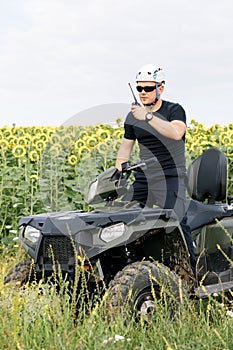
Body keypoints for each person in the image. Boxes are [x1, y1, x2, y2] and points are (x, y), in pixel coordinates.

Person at [116, 63, 196, 275]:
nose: (142, 93)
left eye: (148, 88)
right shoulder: (132, 117)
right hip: (144, 178)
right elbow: (124, 150)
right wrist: (119, 171)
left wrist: (148, 117)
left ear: (160, 88)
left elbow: (176, 133)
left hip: (171, 176)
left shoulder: (173, 110)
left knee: (176, 222)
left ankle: (191, 274)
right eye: (139, 88)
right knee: (118, 218)